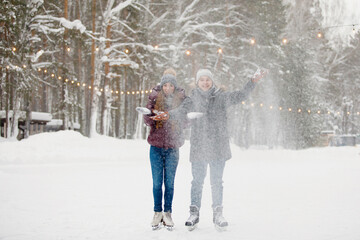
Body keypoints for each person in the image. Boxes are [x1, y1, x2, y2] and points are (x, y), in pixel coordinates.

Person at [159, 68, 266, 230]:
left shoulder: (221, 97)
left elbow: (240, 95)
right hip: (199, 147)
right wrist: (167, 115)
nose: (205, 82)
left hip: (218, 146)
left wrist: (252, 81)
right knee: (197, 181)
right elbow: (180, 112)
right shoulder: (191, 99)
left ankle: (218, 213)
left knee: (216, 182)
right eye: (201, 80)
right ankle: (194, 213)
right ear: (197, 82)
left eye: (207, 79)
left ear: (212, 81)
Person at [143, 68, 187, 230]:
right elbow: (147, 120)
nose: (168, 88)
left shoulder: (181, 100)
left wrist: (174, 117)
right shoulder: (154, 98)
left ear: (175, 86)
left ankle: (167, 213)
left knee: (169, 183)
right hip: (155, 147)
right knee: (156, 183)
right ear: (162, 86)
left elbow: (186, 121)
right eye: (165, 85)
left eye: (171, 85)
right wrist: (151, 115)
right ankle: (157, 212)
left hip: (173, 148)